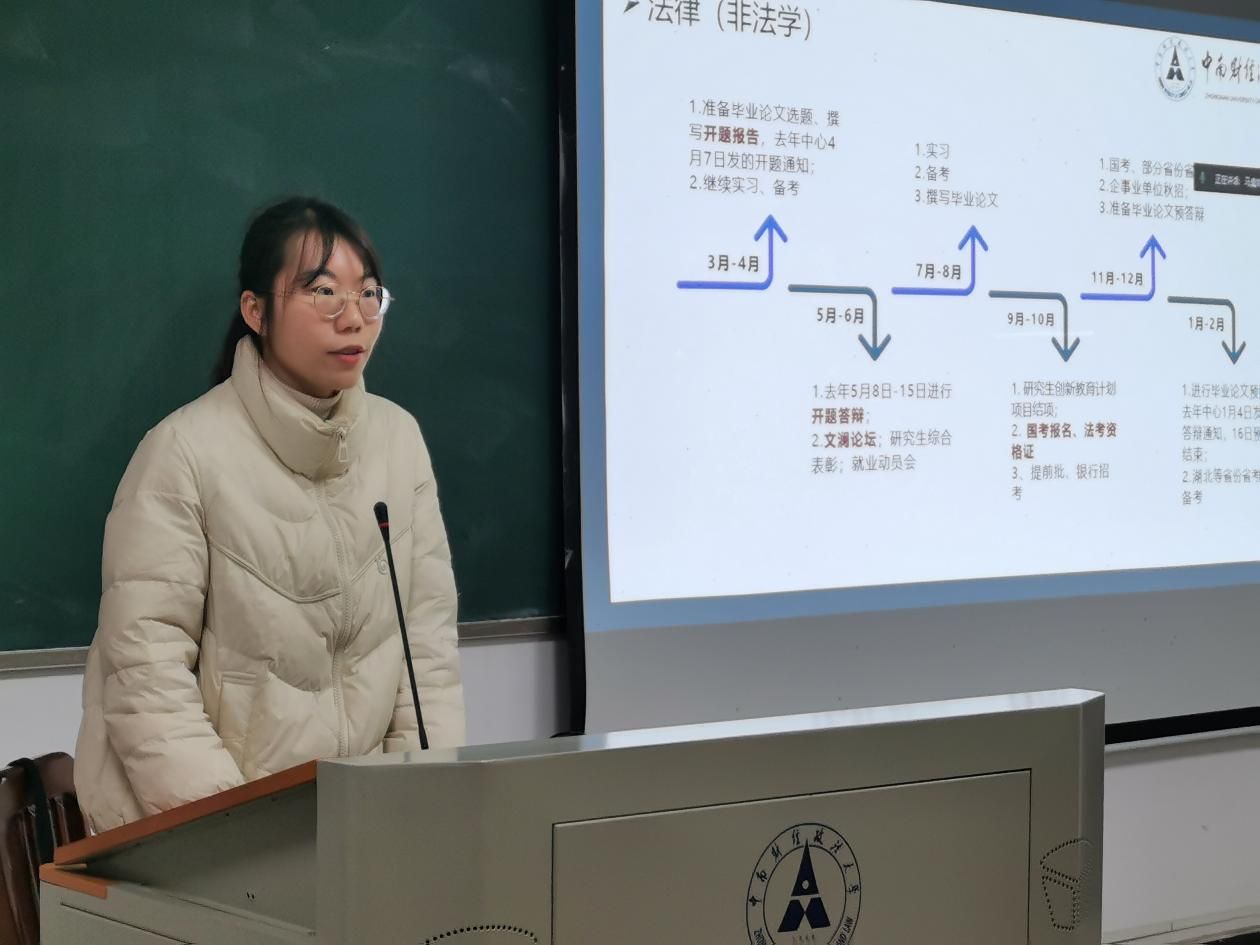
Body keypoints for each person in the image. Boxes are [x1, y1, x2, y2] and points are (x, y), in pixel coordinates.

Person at [74, 197, 464, 832]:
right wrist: (245, 834)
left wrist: (417, 804)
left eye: (368, 295)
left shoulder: (399, 441)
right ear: (255, 311)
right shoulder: (182, 453)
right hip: (214, 832)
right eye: (323, 292)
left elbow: (427, 648)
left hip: (363, 825)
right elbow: (145, 673)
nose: (353, 318)